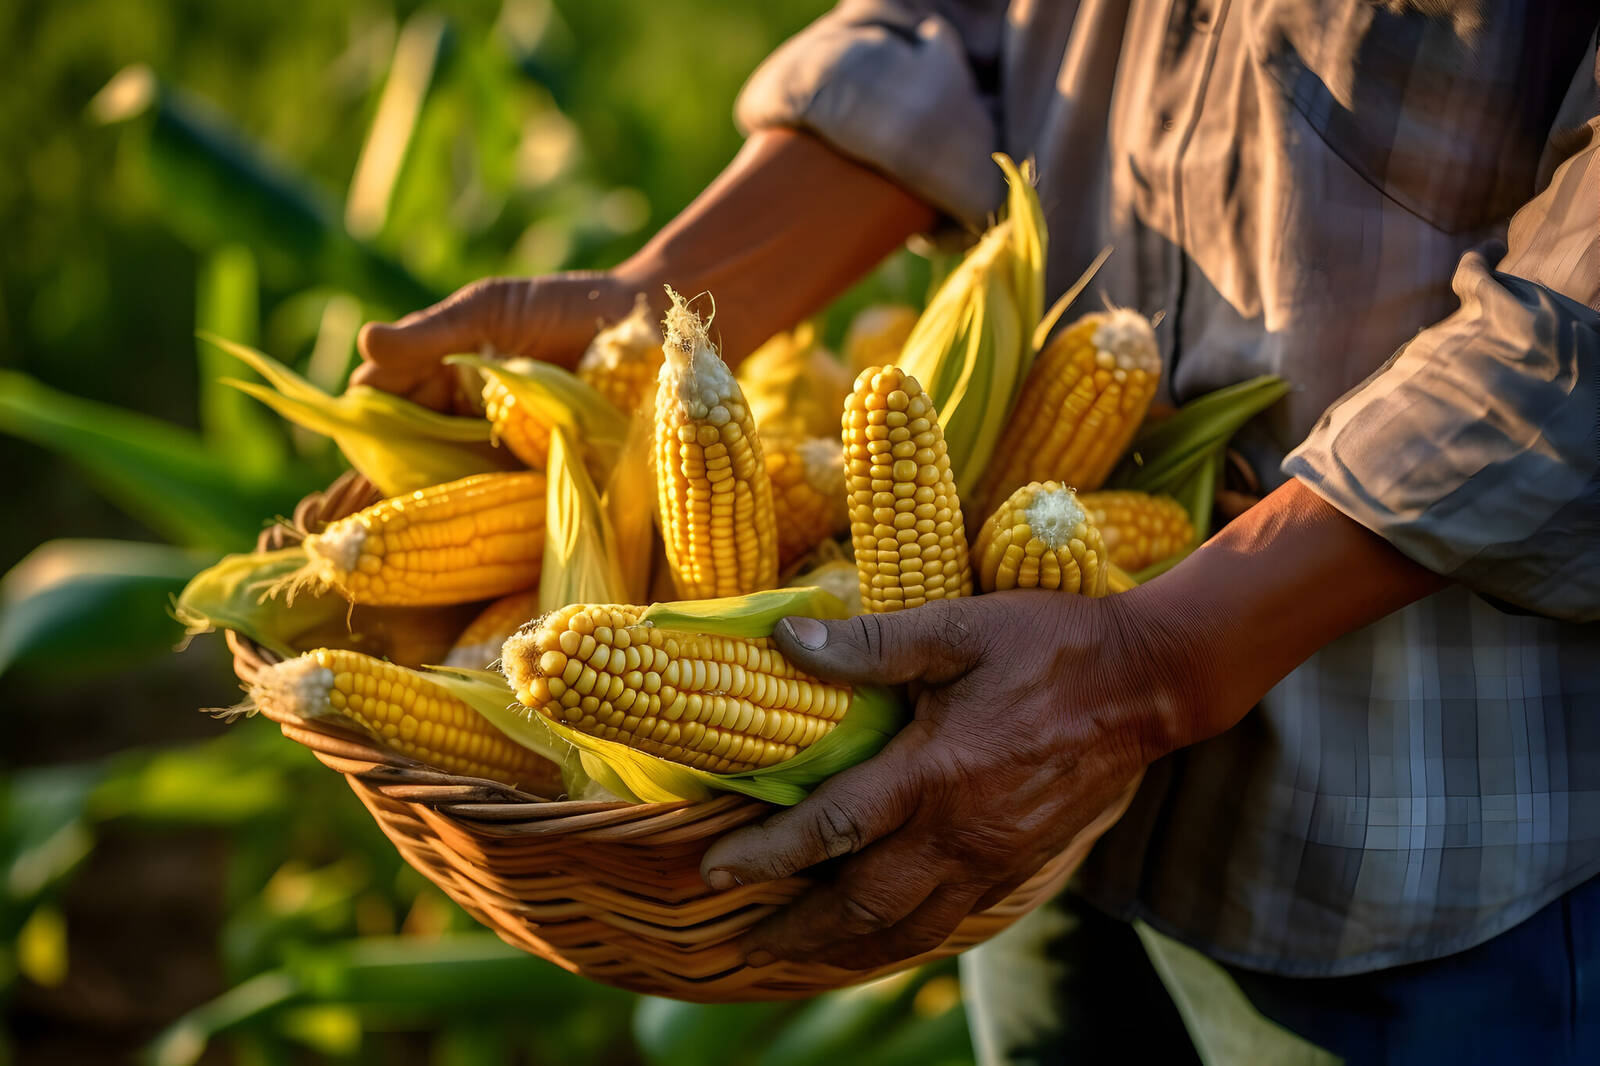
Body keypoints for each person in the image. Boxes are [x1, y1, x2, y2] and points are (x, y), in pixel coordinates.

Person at [355, 2, 1600, 1061]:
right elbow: (954, 22)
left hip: (1407, 850)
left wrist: (1160, 659)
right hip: (984, 800)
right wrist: (651, 303)